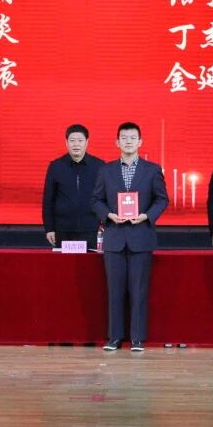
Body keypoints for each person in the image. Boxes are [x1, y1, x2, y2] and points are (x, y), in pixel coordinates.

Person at [90, 122, 168, 353]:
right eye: (124, 138)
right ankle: (114, 337)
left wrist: (146, 216)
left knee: (139, 290)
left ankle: (137, 338)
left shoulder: (152, 170)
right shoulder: (106, 170)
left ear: (140, 142)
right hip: (114, 237)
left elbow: (162, 199)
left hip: (141, 237)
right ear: (117, 142)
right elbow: (96, 200)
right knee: (114, 290)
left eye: (133, 137)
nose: (128, 141)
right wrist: (109, 215)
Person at [42, 123, 106, 249]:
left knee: (90, 261)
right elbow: (48, 201)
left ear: (87, 142)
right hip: (62, 229)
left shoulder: (99, 166)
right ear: (66, 143)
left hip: (91, 228)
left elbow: (105, 198)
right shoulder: (56, 166)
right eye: (72, 140)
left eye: (80, 140)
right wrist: (49, 228)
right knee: (64, 262)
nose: (76, 144)